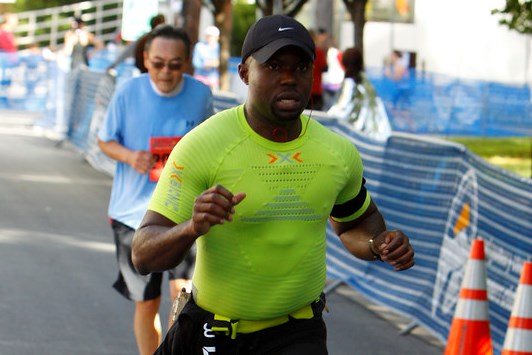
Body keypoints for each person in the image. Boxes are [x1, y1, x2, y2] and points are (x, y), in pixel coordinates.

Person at [132, 15, 415, 354]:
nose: (288, 78)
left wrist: (378, 244)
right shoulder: (202, 146)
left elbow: (356, 226)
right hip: (216, 332)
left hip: (298, 334)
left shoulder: (337, 154)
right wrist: (191, 227)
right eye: (274, 65)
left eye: (300, 67)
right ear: (245, 72)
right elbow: (143, 254)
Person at [97, 25, 214, 355]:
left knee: (185, 297)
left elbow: (211, 147)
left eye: (175, 64)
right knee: (147, 304)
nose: (166, 72)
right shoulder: (127, 92)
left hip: (184, 216)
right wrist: (130, 156)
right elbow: (104, 141)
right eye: (158, 63)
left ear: (188, 63)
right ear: (145, 59)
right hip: (133, 216)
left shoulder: (201, 95)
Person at [328, 47, 392, 139]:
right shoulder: (367, 83)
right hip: (379, 136)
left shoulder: (349, 84)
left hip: (362, 139)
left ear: (344, 63)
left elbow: (341, 110)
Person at [306, 29, 327, 111]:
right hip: (317, 90)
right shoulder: (318, 51)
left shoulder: (302, 52)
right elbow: (325, 68)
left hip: (305, 89)